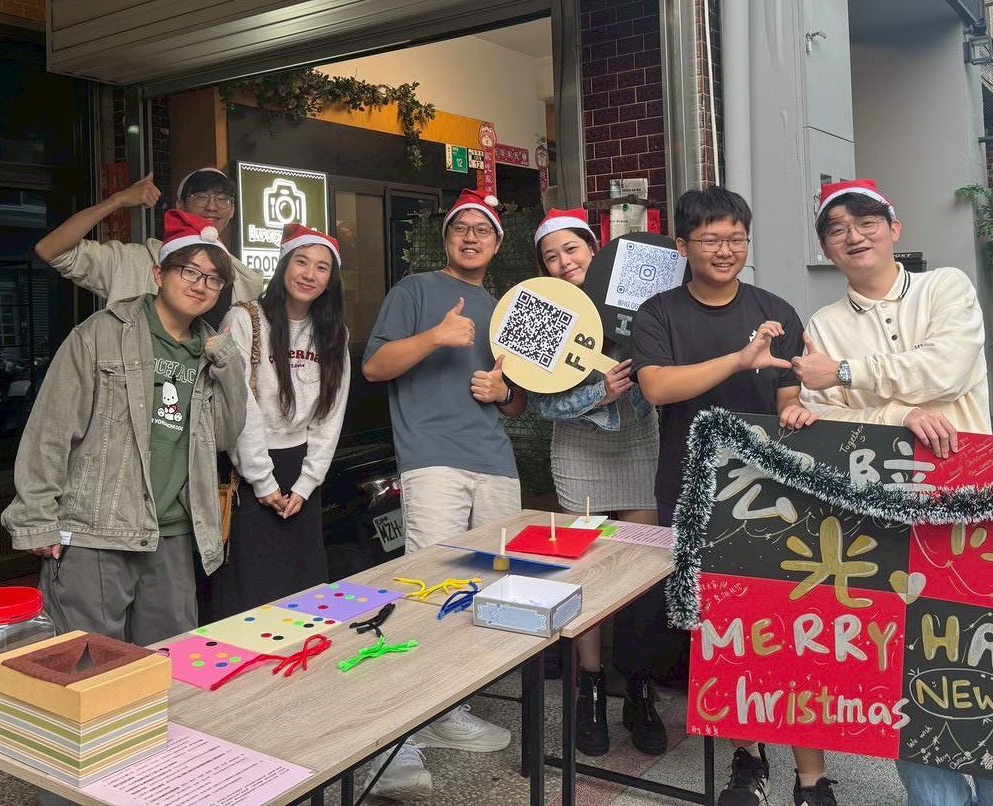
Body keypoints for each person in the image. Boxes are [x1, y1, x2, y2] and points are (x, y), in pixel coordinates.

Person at [792, 179, 993, 806]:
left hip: (975, 501)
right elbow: (824, 415)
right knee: (909, 664)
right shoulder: (823, 323)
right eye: (837, 229)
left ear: (893, 229)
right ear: (825, 248)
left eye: (866, 222)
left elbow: (946, 369)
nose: (854, 236)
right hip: (884, 512)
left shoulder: (944, 287)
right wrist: (899, 415)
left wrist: (846, 374)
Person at [630, 186, 834, 806]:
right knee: (722, 628)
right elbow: (657, 388)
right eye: (711, 239)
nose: (726, 250)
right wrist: (739, 360)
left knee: (791, 625)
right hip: (692, 490)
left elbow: (787, 394)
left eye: (736, 238)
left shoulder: (775, 309)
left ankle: (811, 776)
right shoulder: (658, 313)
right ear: (683, 245)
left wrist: (794, 408)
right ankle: (748, 758)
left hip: (774, 490)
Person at [2, 210, 246, 645]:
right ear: (159, 273)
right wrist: (36, 517)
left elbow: (225, 436)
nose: (200, 284)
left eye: (213, 279)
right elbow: (51, 428)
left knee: (170, 660)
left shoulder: (212, 354)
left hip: (172, 532)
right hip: (97, 528)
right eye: (189, 271)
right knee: (89, 661)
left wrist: (229, 366)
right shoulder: (100, 334)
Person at [359, 188, 526, 797]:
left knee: (487, 590)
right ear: (447, 238)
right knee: (427, 591)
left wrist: (503, 394)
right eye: (462, 228)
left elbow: (519, 399)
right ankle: (398, 736)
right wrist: (436, 336)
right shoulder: (415, 291)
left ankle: (448, 710)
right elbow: (375, 367)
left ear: (497, 244)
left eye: (483, 229)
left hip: (496, 463)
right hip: (433, 461)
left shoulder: (509, 308)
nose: (472, 236)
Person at [531, 209, 667, 757]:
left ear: (596, 250)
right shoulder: (544, 314)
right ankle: (589, 686)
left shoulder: (643, 301)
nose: (564, 263)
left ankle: (638, 687)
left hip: (639, 446)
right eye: (551, 257)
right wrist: (598, 394)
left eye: (572, 250)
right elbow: (541, 406)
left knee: (642, 570)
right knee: (583, 570)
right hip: (579, 452)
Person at [212, 223, 351, 614]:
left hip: (302, 471)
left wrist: (307, 483)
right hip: (248, 468)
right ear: (284, 264)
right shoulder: (246, 319)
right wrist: (263, 479)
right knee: (249, 595)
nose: (310, 274)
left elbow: (330, 414)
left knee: (303, 594)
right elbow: (240, 404)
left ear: (331, 279)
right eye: (301, 262)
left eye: (322, 267)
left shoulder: (334, 333)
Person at [34, 165, 263, 325]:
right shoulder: (131, 262)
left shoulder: (245, 281)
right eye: (201, 197)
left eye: (223, 199)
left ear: (232, 210)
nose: (212, 207)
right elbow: (50, 249)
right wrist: (117, 200)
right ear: (180, 205)